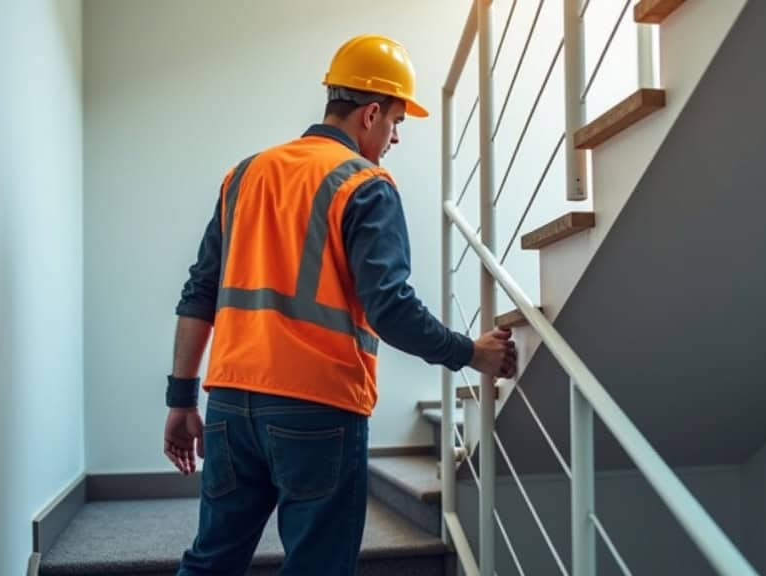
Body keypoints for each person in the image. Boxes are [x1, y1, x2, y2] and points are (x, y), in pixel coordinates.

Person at [162, 34, 516, 575]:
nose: (396, 137)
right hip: (317, 407)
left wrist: (181, 398)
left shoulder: (246, 174)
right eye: (397, 122)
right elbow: (391, 308)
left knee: (210, 562)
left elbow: (199, 293)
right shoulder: (365, 184)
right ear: (371, 113)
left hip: (230, 404)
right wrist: (471, 352)